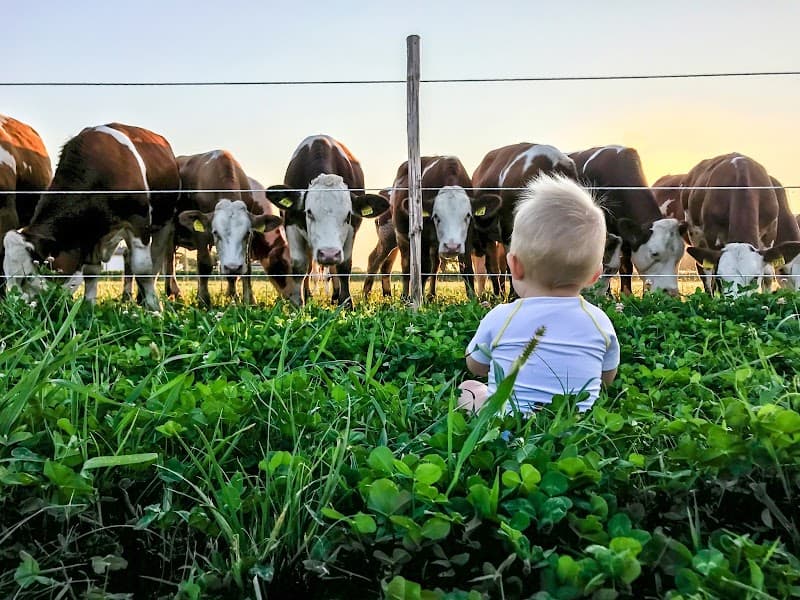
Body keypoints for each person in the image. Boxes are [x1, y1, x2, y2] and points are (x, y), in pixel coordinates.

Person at [459, 174, 620, 414]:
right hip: (574, 422)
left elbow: (475, 365)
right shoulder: (600, 322)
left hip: (505, 423)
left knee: (469, 388)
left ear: (514, 265)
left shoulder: (501, 316)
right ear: (595, 275)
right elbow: (606, 377)